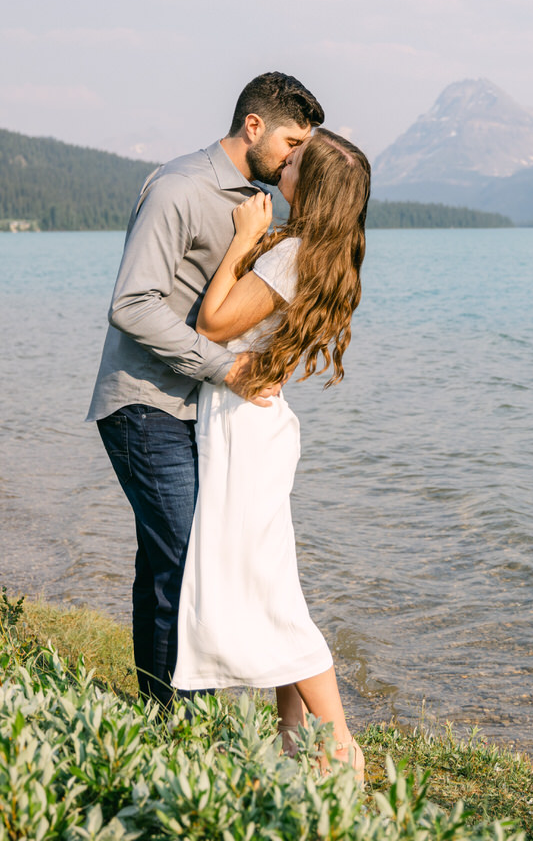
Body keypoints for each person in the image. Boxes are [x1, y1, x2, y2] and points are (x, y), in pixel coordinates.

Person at [88, 72, 322, 707]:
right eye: (293, 143)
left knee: (167, 564)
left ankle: (161, 717)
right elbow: (131, 305)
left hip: (205, 415)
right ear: (254, 127)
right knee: (189, 561)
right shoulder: (179, 188)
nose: (297, 157)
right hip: (147, 402)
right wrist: (228, 370)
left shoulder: (257, 199)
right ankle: (179, 732)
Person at [170, 129, 372, 781]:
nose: (283, 165)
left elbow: (212, 325)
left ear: (309, 187)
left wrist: (238, 240)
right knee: (265, 586)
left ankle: (340, 746)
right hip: (251, 427)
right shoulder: (313, 253)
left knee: (272, 598)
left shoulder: (293, 256)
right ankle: (296, 754)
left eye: (295, 163)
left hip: (248, 435)